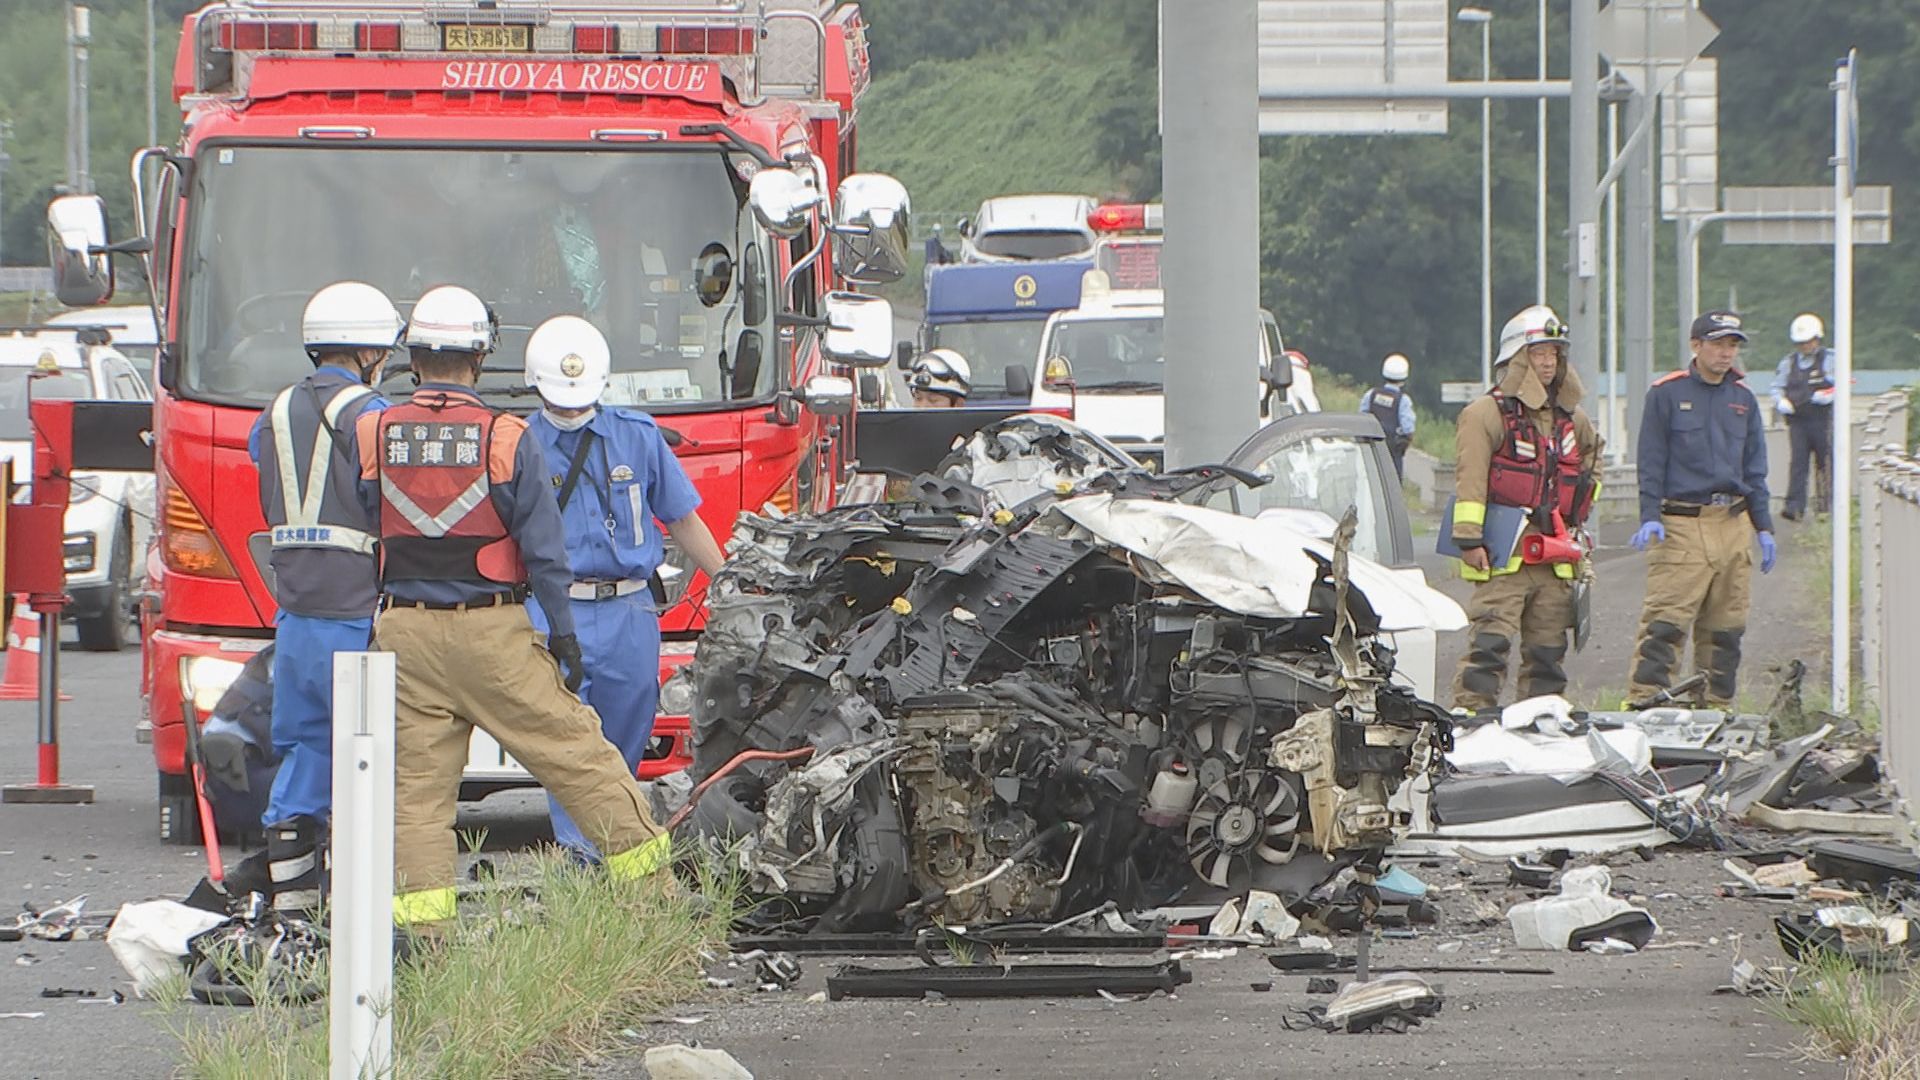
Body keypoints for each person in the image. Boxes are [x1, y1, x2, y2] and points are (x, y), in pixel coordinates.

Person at [354, 285, 671, 925]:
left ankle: (425, 942)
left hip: (404, 636)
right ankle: (653, 903)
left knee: (417, 800)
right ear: (479, 360)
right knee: (581, 756)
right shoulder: (504, 436)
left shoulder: (372, 431)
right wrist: (563, 638)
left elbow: (367, 523)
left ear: (412, 359)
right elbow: (545, 552)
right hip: (493, 632)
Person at [521, 315, 726, 860]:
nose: (569, 410)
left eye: (578, 399)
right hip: (552, 611)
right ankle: (581, 862)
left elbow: (683, 518)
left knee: (623, 745)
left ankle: (614, 852)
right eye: (558, 399)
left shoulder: (636, 436)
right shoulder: (519, 444)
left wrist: (728, 582)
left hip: (629, 611)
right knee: (566, 744)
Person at [247, 281, 402, 916]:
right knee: (367, 755)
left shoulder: (274, 412)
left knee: (305, 746)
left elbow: (265, 484)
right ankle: (357, 911)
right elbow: (391, 502)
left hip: (297, 609)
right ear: (370, 353)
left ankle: (292, 910)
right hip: (356, 612)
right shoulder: (372, 416)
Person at [1448, 306, 1601, 713]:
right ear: (1517, 357)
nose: (1549, 361)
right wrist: (1469, 540)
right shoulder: (1485, 414)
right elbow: (1471, 478)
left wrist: (1578, 515)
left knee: (1549, 655)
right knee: (1489, 648)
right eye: (1538, 353)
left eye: (1554, 352)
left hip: (1555, 558)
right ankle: (1470, 721)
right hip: (1504, 556)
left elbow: (1591, 458)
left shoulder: (1572, 419)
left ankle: (1540, 727)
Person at [1627, 311, 1777, 708]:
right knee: (1665, 626)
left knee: (1725, 630)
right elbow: (1651, 460)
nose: (1726, 353)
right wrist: (1649, 516)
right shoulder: (1667, 393)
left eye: (1733, 345)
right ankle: (1648, 708)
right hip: (1681, 524)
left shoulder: (1742, 399)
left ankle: (1716, 712)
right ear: (1696, 346)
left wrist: (1763, 527)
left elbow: (1754, 467)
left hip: (1732, 522)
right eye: (1718, 343)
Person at [1770, 313, 1837, 521]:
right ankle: (1794, 506)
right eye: (1801, 343)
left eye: (1808, 341)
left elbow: (1843, 383)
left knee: (1825, 462)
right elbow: (1776, 387)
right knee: (1798, 462)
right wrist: (1780, 401)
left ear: (1817, 339)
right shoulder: (1788, 363)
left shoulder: (1830, 359)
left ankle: (1827, 508)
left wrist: (1827, 395)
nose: (1805, 346)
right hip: (1798, 420)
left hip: (1822, 419)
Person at [1360, 353, 1416, 477]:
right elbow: (1408, 429)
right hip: (1392, 452)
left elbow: (1361, 417)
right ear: (1403, 378)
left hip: (1370, 448)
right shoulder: (1403, 400)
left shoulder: (1371, 394)